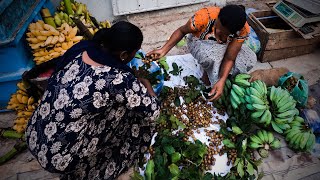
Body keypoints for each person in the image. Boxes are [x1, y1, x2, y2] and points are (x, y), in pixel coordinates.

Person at [25, 21, 160, 179]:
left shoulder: (82, 49)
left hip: (35, 134)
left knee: (107, 103)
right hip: (58, 157)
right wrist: (147, 85)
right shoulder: (117, 79)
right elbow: (153, 112)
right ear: (123, 55)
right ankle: (95, 167)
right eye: (133, 54)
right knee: (134, 114)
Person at [147, 5, 257, 101]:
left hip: (224, 47)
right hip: (200, 41)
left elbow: (230, 57)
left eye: (225, 33)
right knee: (210, 57)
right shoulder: (204, 17)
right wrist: (163, 50)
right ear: (218, 17)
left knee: (249, 58)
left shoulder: (242, 29)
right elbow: (182, 31)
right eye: (219, 28)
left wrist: (222, 80)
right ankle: (207, 73)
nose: (220, 32)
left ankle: (219, 78)